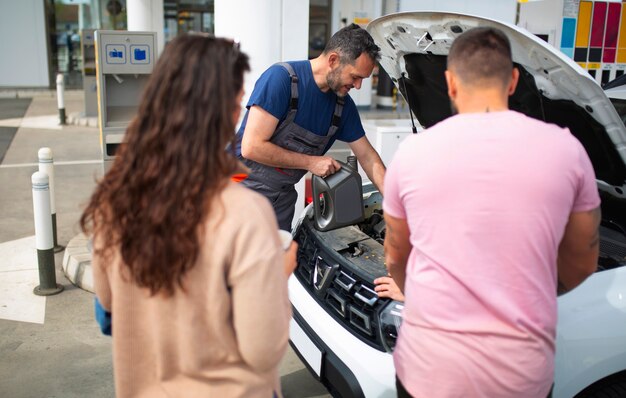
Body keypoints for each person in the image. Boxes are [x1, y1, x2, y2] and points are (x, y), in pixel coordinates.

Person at [383, 27, 600, 397]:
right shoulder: (567, 151)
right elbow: (581, 264)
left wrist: (416, 290)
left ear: (449, 83)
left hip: (429, 372)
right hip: (520, 377)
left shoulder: (412, 154)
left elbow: (395, 256)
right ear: (514, 80)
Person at [80, 34, 298, 398]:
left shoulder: (114, 199)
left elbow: (108, 304)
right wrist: (276, 276)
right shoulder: (245, 213)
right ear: (226, 113)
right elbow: (262, 350)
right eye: (239, 103)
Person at [236, 23, 386, 230]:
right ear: (333, 60)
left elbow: (369, 158)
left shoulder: (343, 107)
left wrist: (397, 205)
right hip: (241, 192)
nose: (358, 86)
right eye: (355, 77)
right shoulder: (282, 80)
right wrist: (311, 162)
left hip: (281, 200)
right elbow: (251, 147)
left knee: (278, 260)